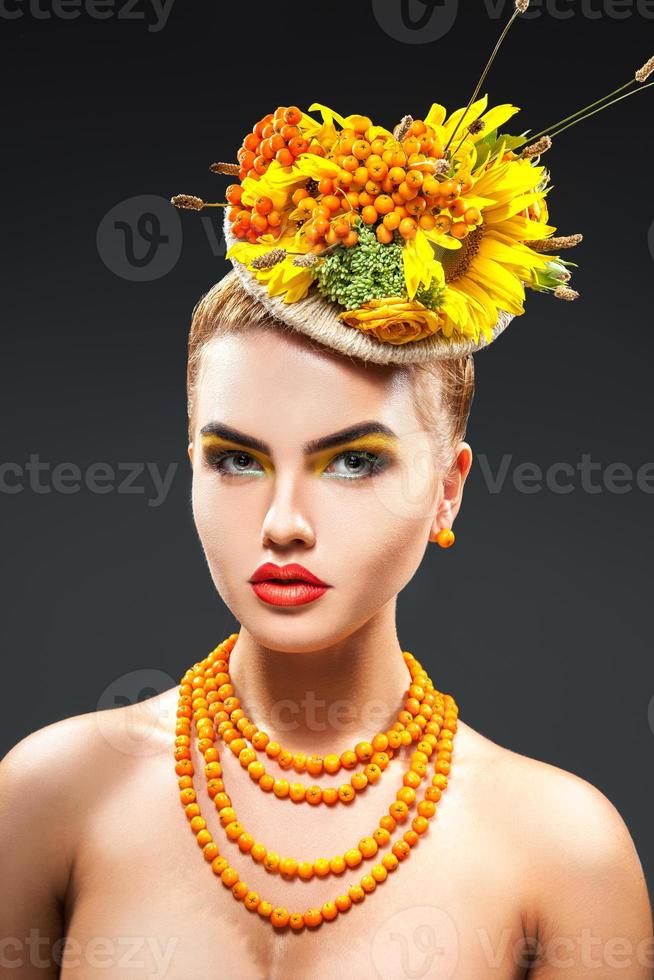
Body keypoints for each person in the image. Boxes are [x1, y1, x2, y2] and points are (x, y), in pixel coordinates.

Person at [3, 6, 654, 973]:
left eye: (354, 460)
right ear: (188, 464)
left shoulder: (564, 852)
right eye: (236, 458)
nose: (284, 524)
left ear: (450, 490)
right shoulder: (51, 795)